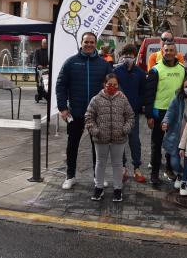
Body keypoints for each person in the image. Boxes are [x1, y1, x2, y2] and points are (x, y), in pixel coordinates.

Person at [56, 32, 112, 189]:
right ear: (81, 43)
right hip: (76, 111)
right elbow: (61, 86)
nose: (89, 44)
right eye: (86, 42)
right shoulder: (71, 62)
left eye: (92, 42)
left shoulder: (103, 64)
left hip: (97, 113)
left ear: (96, 44)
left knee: (98, 147)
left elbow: (112, 86)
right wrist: (63, 108)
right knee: (72, 144)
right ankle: (70, 176)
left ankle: (98, 177)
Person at [85, 73, 134, 202]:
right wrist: (95, 131)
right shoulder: (96, 99)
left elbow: (130, 116)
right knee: (100, 163)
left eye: (115, 85)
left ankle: (118, 189)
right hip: (101, 138)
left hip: (119, 138)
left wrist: (125, 129)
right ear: (104, 85)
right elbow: (89, 117)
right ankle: (99, 188)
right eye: (109, 84)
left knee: (118, 164)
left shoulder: (123, 99)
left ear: (118, 86)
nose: (112, 87)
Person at [144, 41, 186, 185]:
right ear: (162, 52)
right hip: (159, 112)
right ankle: (154, 174)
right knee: (157, 144)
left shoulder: (182, 69)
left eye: (171, 50)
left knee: (172, 143)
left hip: (176, 112)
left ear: (176, 52)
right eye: (166, 50)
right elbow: (148, 94)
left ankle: (169, 169)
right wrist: (149, 115)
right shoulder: (155, 70)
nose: (168, 52)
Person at [114, 44, 147, 183]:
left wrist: (138, 106)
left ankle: (137, 168)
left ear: (135, 56)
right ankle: (122, 168)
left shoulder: (139, 72)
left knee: (135, 141)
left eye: (131, 55)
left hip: (133, 113)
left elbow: (143, 92)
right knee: (120, 140)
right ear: (122, 56)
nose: (128, 58)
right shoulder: (116, 71)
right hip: (119, 113)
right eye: (126, 55)